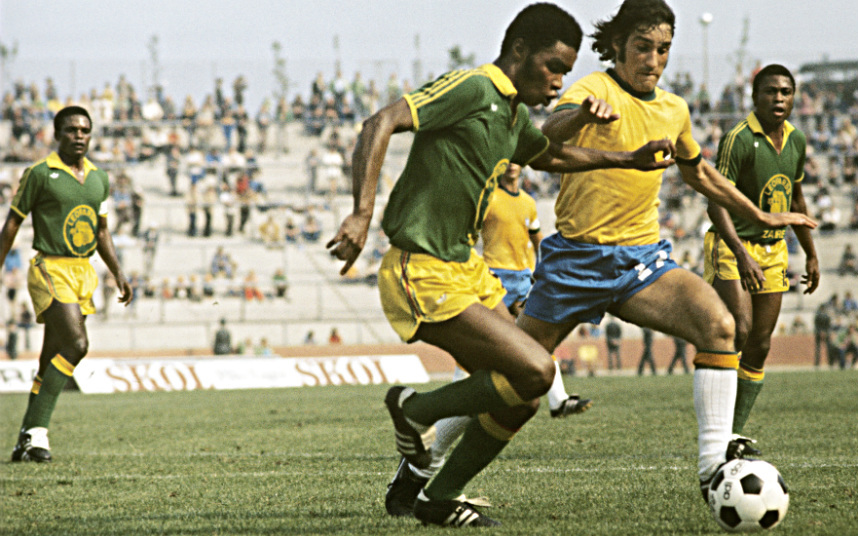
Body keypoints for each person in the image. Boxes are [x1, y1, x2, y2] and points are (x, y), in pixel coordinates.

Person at [326, 3, 675, 526]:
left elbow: (551, 156)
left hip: (466, 270)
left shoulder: (512, 116)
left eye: (566, 71)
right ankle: (412, 411)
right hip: (420, 268)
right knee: (538, 370)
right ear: (519, 51)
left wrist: (627, 159)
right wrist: (361, 213)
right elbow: (381, 121)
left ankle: (436, 498)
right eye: (552, 67)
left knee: (523, 396)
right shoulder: (474, 88)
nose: (558, 82)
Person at [516, 0, 817, 506]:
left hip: (642, 262)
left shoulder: (674, 109)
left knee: (719, 327)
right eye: (642, 47)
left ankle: (713, 470)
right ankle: (421, 465)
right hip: (576, 262)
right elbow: (542, 141)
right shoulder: (593, 89)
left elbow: (699, 173)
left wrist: (761, 216)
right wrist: (582, 116)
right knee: (513, 378)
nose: (653, 60)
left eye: (663, 49)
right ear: (617, 45)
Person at [0, 106, 133, 462]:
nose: (79, 136)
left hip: (83, 271)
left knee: (49, 360)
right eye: (72, 130)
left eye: (85, 130)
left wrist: (118, 272)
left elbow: (101, 231)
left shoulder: (98, 178)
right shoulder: (40, 174)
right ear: (57, 134)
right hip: (50, 267)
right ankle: (38, 432)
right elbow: (12, 223)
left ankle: (26, 441)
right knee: (77, 344)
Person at [702, 64, 820, 436]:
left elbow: (796, 199)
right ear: (755, 97)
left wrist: (811, 253)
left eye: (785, 92)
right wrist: (741, 254)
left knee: (760, 345)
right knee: (738, 331)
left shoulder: (797, 140)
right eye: (770, 91)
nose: (778, 98)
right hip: (732, 245)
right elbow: (715, 202)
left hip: (773, 250)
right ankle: (713, 430)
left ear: (794, 97)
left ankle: (732, 435)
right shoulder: (738, 138)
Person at [481, 162, 589, 417]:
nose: (512, 165)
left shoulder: (528, 202)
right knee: (485, 342)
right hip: (495, 278)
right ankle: (465, 399)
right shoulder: (488, 198)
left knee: (539, 338)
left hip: (523, 279)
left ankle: (559, 401)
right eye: (508, 160)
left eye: (517, 160)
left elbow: (537, 240)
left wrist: (546, 270)